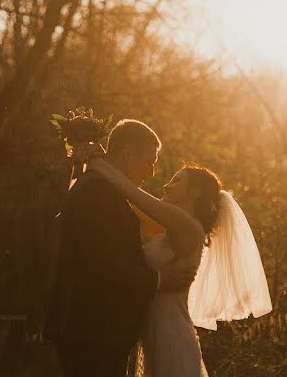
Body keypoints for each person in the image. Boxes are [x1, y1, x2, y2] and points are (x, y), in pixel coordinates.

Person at [87, 157, 273, 377]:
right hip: (158, 337)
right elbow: (130, 202)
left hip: (171, 339)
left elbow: (131, 192)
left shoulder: (188, 226)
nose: (166, 185)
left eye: (176, 181)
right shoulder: (174, 228)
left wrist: (98, 161)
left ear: (194, 193)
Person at [45, 120, 197, 377]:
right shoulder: (99, 192)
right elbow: (100, 264)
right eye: (149, 162)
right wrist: (159, 279)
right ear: (127, 155)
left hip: (96, 331)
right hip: (93, 332)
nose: (150, 173)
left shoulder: (105, 189)